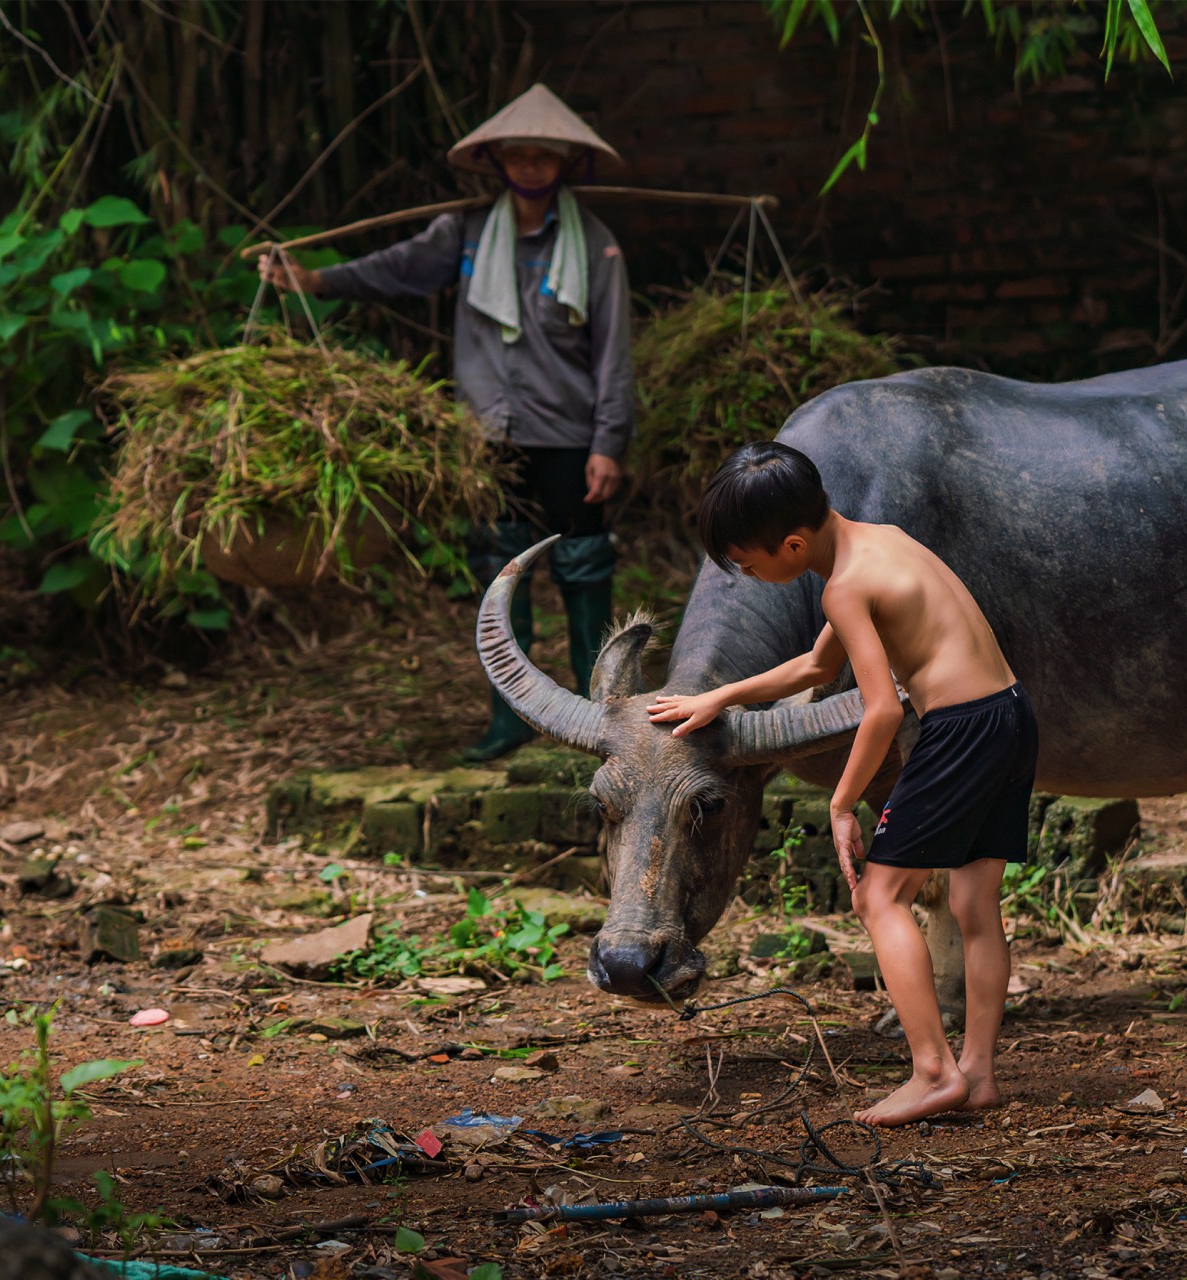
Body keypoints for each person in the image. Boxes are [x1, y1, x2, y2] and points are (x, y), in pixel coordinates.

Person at [645, 442, 1036, 1128]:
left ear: (794, 546)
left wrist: (842, 801)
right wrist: (721, 696)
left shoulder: (844, 587)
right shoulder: (881, 542)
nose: (750, 576)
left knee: (879, 896)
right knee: (975, 903)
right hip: (1009, 714)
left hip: (959, 731)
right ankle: (976, 1074)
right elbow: (817, 667)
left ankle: (933, 1071)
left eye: (749, 564)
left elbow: (880, 708)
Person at [259, 84, 633, 760]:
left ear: (566, 163)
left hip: (570, 437)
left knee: (584, 568)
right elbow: (397, 270)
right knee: (498, 571)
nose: (530, 166)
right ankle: (510, 720)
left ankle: (601, 721)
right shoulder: (465, 233)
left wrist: (608, 442)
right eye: (517, 154)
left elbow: (613, 351)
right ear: (497, 161)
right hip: (485, 436)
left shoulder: (596, 246)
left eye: (544, 155)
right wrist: (315, 281)